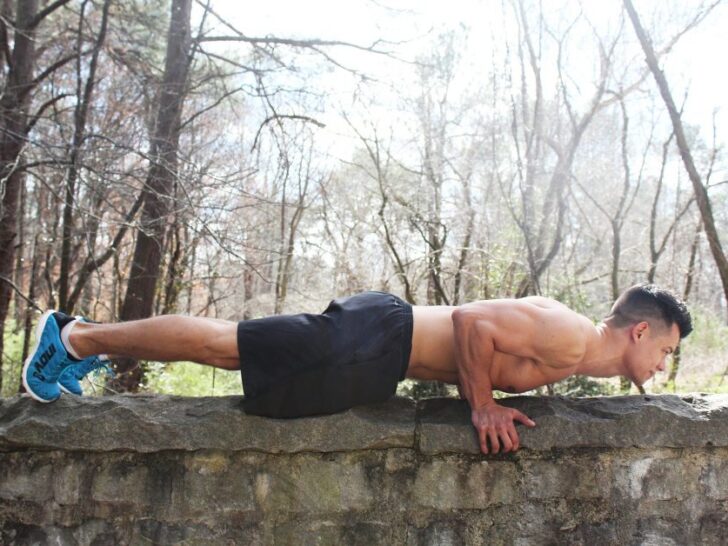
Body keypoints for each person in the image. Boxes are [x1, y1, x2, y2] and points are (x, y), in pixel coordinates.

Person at [22, 283, 692, 454]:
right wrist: (482, 406)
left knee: (249, 373)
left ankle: (84, 342)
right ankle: (76, 338)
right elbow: (472, 323)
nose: (662, 363)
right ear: (639, 330)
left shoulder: (576, 355)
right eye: (664, 350)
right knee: (229, 346)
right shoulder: (573, 335)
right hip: (381, 335)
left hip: (379, 356)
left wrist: (481, 394)